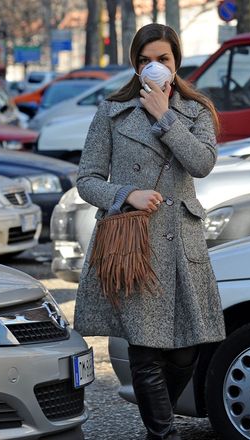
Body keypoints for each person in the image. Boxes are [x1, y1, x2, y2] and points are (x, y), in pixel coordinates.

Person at [73, 23, 226, 440]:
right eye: (145, 61)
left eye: (163, 59)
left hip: (181, 243)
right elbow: (86, 179)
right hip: (133, 242)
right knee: (145, 351)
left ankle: (159, 422)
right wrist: (126, 194)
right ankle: (163, 433)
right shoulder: (111, 110)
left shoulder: (195, 110)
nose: (154, 67)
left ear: (176, 63)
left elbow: (202, 165)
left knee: (185, 353)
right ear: (134, 65)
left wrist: (164, 117)